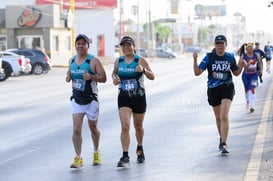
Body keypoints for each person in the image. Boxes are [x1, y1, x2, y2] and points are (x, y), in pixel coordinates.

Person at [193, 35, 244, 154]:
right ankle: (221, 139)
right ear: (215, 45)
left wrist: (241, 65)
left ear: (226, 45)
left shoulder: (230, 57)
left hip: (227, 88)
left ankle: (224, 143)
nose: (220, 45)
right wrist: (195, 60)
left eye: (222, 43)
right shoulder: (209, 57)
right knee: (218, 117)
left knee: (224, 115)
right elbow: (197, 72)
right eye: (217, 43)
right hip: (213, 89)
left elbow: (236, 73)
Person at [112, 35, 155, 167]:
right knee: (125, 126)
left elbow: (152, 76)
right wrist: (114, 78)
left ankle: (140, 148)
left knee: (138, 127)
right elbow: (114, 73)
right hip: (124, 97)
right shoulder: (118, 61)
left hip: (139, 97)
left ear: (133, 47)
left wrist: (144, 70)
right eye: (123, 46)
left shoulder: (140, 60)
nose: (126, 48)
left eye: (128, 45)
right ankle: (125, 156)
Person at [66, 34, 107, 168]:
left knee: (93, 128)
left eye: (83, 44)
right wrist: (68, 76)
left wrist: (91, 77)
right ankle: (78, 157)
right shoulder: (71, 61)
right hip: (77, 99)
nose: (80, 46)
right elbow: (70, 76)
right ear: (75, 45)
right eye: (78, 43)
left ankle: (96, 152)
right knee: (76, 129)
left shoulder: (93, 61)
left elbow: (104, 78)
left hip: (91, 100)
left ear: (88, 46)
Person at [240, 43, 262, 113]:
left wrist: (260, 70)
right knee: (246, 90)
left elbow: (259, 63)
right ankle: (248, 101)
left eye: (252, 47)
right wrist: (249, 62)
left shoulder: (256, 55)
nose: (251, 49)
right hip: (245, 76)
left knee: (252, 88)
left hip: (254, 75)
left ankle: (252, 106)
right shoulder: (244, 56)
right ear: (246, 49)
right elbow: (245, 67)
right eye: (249, 48)